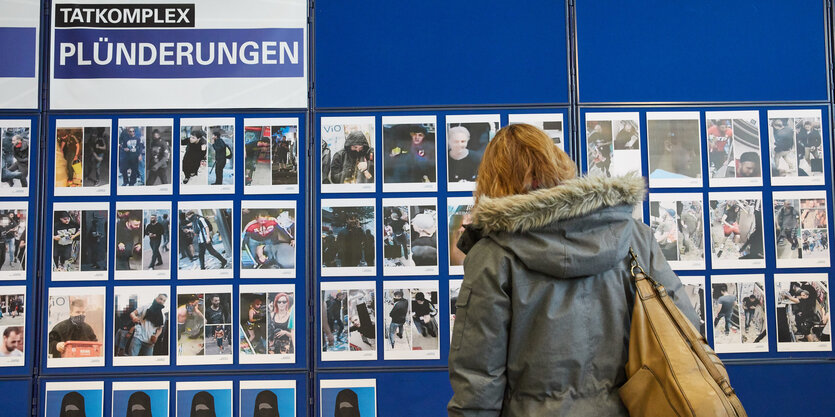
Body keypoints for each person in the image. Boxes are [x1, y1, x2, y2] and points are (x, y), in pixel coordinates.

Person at [447, 123, 699, 416]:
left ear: (493, 181)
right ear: (558, 164)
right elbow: (684, 327)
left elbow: (479, 377)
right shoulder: (633, 237)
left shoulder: (493, 255)